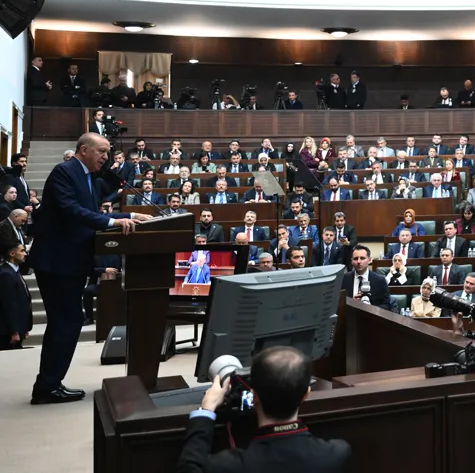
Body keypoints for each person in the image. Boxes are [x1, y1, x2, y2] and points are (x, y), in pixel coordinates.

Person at [27, 133, 150, 404]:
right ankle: (47, 386)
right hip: (57, 262)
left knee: (66, 322)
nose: (106, 157)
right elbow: (71, 211)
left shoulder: (86, 177)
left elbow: (91, 212)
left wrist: (129, 215)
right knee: (65, 322)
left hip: (69, 262)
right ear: (84, 150)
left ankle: (48, 383)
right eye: (103, 152)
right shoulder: (65, 171)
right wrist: (111, 224)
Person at [176, 347, 350, 473]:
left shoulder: (228, 466)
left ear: (254, 395)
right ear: (306, 394)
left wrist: (206, 410)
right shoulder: (337, 454)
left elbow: (189, 468)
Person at [0, 229, 32, 349]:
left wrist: (24, 327)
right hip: (8, 332)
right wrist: (14, 331)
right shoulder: (5, 274)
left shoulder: (14, 272)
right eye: (22, 251)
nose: (25, 254)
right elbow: (9, 304)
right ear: (12, 254)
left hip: (18, 328)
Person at [342, 245, 392, 310]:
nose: (359, 262)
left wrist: (370, 308)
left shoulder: (380, 280)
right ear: (351, 261)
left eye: (362, 258)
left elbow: (387, 306)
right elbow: (338, 303)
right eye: (356, 258)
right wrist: (351, 303)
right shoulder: (344, 279)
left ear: (370, 260)